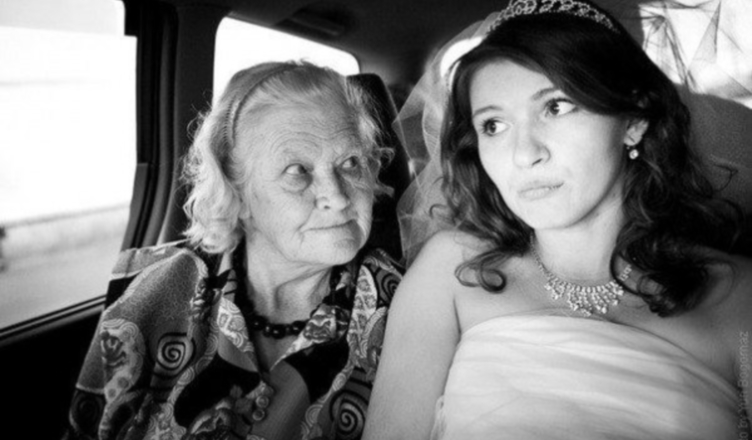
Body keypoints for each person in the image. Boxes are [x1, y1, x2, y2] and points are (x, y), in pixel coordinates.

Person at [363, 0, 752, 439]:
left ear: (634, 121)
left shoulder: (739, 297)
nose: (524, 154)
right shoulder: (450, 270)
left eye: (556, 107)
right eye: (493, 125)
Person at [64, 61, 402, 440]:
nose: (337, 197)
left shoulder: (406, 305)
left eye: (351, 162)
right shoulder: (152, 287)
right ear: (236, 193)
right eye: (298, 170)